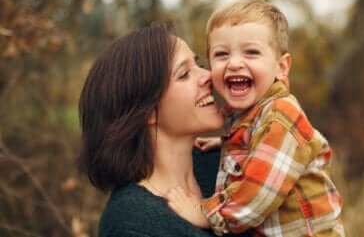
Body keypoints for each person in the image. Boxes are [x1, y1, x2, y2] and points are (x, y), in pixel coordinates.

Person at [167, 0, 345, 237]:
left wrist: (203, 213)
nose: (235, 63)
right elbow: (259, 147)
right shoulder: (252, 118)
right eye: (221, 54)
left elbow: (256, 196)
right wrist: (226, 143)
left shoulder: (281, 116)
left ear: (281, 67)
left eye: (251, 52)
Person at [77, 22, 249, 237]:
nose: (209, 75)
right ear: (147, 110)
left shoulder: (232, 165)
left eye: (199, 64)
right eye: (184, 74)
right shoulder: (130, 223)